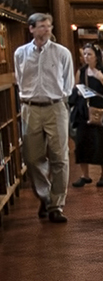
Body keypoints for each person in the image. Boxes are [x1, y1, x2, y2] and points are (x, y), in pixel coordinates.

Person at [15, 13, 74, 222]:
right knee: (32, 157)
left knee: (60, 157)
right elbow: (19, 79)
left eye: (49, 26)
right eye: (41, 26)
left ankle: (56, 205)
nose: (46, 30)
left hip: (55, 106)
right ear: (31, 29)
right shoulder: (21, 53)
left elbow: (68, 81)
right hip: (30, 108)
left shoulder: (62, 53)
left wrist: (60, 98)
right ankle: (45, 196)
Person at [69, 44, 103, 188]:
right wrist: (77, 92)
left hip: (101, 110)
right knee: (82, 142)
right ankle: (85, 175)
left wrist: (101, 79)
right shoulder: (82, 71)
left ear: (96, 56)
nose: (86, 57)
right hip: (84, 111)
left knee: (102, 142)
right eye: (84, 54)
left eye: (89, 54)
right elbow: (75, 88)